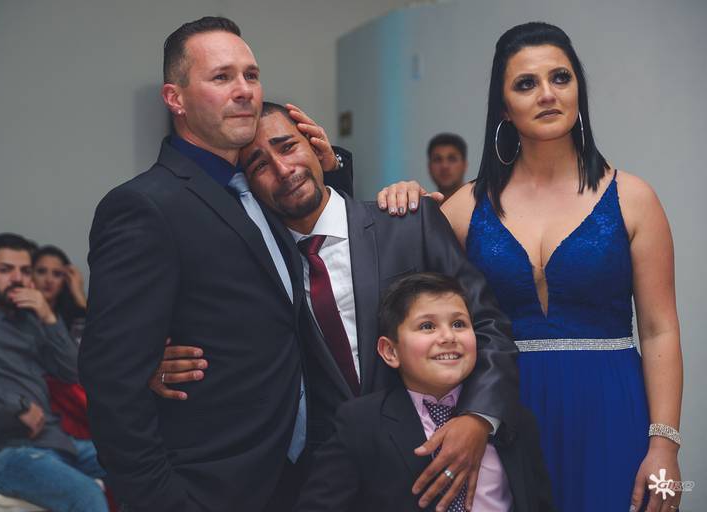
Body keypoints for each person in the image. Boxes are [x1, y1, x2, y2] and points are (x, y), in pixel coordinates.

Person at [154, 101, 519, 511]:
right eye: (259, 165)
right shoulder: (256, 267)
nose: (283, 169)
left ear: (317, 148)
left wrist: (478, 418)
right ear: (247, 186)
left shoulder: (407, 222)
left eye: (288, 146)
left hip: (442, 453)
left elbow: (487, 324)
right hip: (328, 480)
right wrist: (152, 365)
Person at [79, 17, 352, 512]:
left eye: (251, 75)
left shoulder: (260, 191)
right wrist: (162, 501)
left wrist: (333, 167)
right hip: (210, 487)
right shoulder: (144, 206)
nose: (244, 90)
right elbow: (112, 382)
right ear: (175, 98)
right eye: (222, 77)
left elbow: (322, 256)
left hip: (304, 480)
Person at [437, 22, 683, 512]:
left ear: (578, 90)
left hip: (612, 410)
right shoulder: (463, 209)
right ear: (503, 106)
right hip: (502, 416)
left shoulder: (633, 198)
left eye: (561, 78)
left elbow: (660, 330)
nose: (547, 94)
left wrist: (665, 447)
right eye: (526, 83)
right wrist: (400, 201)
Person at [295, 272, 554, 511]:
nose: (448, 337)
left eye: (459, 324)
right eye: (427, 326)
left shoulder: (511, 419)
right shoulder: (360, 422)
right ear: (390, 351)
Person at [0, 233, 107, 512]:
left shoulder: (31, 321)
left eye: (25, 271)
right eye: (5, 270)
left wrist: (49, 318)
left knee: (143, 465)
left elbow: (73, 372)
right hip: (9, 453)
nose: (17, 278)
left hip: (59, 443)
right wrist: (17, 405)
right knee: (87, 495)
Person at [32, 245, 92, 439]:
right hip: (42, 404)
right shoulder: (18, 315)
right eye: (42, 271)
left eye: (57, 274)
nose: (49, 280)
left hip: (79, 399)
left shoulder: (73, 315)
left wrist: (79, 296)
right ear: (30, 274)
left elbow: (101, 348)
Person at [427, 133, 468, 199]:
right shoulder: (423, 204)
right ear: (429, 166)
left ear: (465, 165)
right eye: (437, 159)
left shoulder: (480, 202)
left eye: (452, 159)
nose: (444, 166)